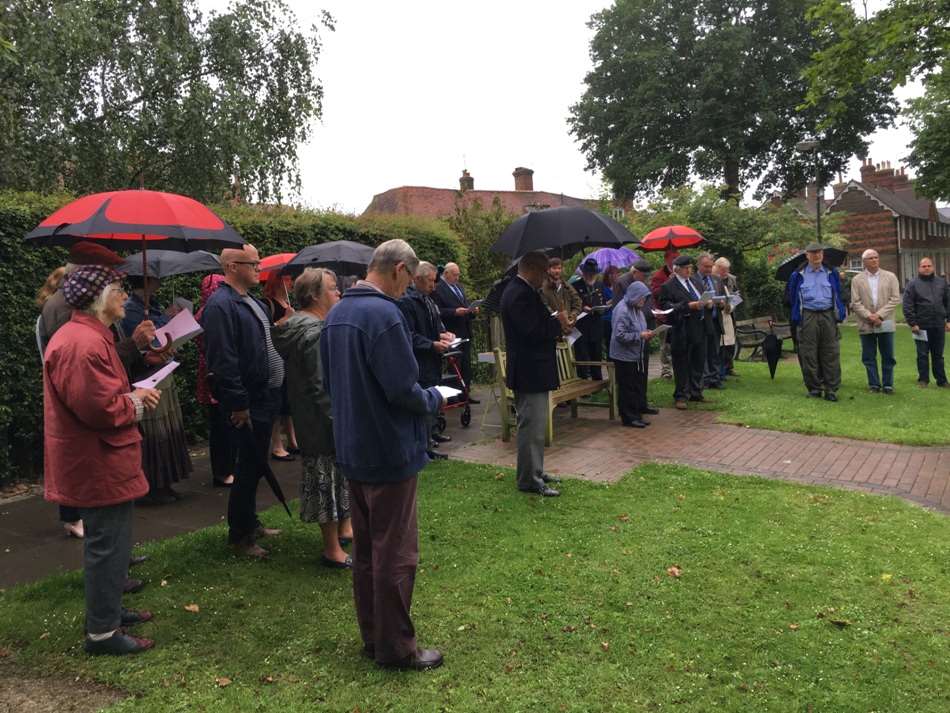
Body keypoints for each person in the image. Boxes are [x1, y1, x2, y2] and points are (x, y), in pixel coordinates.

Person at [320, 239, 446, 671]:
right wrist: (433, 398)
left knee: (370, 553)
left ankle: (374, 637)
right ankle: (397, 648)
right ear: (397, 269)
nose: (408, 288)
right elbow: (402, 390)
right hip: (390, 450)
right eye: (409, 279)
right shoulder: (384, 315)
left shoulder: (337, 313)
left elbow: (328, 381)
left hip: (354, 447)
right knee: (396, 553)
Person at [43, 265, 161, 656]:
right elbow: (99, 409)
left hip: (103, 458)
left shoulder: (91, 336)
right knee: (107, 545)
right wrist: (137, 401)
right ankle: (102, 633)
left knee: (113, 542)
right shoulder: (82, 343)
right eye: (119, 291)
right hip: (96, 459)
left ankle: (109, 612)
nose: (125, 298)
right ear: (99, 299)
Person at [200, 244, 284, 558]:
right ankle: (240, 535)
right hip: (248, 401)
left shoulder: (251, 301)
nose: (259, 269)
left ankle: (251, 522)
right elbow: (223, 360)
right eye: (253, 264)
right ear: (233, 266)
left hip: (265, 395)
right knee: (248, 466)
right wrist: (237, 404)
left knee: (256, 464)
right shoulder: (221, 305)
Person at [272, 268, 353, 569]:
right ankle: (332, 549)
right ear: (315, 296)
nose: (339, 293)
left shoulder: (306, 325)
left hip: (310, 416)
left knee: (335, 476)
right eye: (333, 288)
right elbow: (320, 383)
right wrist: (338, 419)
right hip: (320, 420)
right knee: (325, 478)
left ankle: (345, 528)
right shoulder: (314, 331)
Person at [500, 251, 570, 497]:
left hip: (534, 369)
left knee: (537, 426)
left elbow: (533, 323)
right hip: (529, 371)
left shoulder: (525, 292)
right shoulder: (518, 294)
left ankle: (536, 470)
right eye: (543, 273)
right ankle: (529, 479)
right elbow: (531, 331)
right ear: (531, 269)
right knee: (531, 427)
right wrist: (557, 323)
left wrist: (553, 318)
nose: (545, 278)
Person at [119, 275, 193, 505]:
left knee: (169, 430)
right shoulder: (133, 310)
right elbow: (139, 346)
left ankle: (166, 482)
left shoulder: (155, 305)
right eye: (154, 276)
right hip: (149, 378)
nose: (159, 280)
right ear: (146, 280)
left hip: (164, 372)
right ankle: (153, 486)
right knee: (155, 434)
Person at [399, 262, 455, 460]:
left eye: (434, 281)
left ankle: (429, 442)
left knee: (432, 400)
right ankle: (423, 448)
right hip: (420, 362)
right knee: (422, 403)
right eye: (430, 281)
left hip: (432, 360)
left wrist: (444, 334)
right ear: (417, 279)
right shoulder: (407, 302)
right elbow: (408, 335)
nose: (434, 285)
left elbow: (434, 325)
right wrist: (431, 344)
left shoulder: (428, 300)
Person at [787, 243, 847, 401]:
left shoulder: (831, 272)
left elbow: (838, 293)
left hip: (828, 315)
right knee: (808, 354)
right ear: (806, 255)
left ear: (823, 254)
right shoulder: (797, 275)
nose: (816, 256)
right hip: (807, 315)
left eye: (819, 252)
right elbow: (791, 297)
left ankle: (831, 389)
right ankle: (814, 388)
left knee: (831, 352)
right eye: (813, 253)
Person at [196, 274, 236, 488]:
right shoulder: (211, 313)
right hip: (214, 372)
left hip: (210, 370)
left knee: (223, 424)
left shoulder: (202, 313)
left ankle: (226, 468)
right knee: (221, 426)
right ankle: (223, 471)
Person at [659, 255, 707, 409]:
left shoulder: (695, 282)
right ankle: (681, 395)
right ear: (677, 269)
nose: (689, 271)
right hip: (681, 328)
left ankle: (696, 392)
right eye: (686, 268)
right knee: (681, 362)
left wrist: (708, 302)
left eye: (690, 268)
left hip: (698, 326)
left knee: (698, 360)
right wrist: (687, 306)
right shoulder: (668, 286)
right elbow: (666, 307)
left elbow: (701, 297)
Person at [850, 249, 901, 393]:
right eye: (870, 258)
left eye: (876, 257)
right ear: (864, 262)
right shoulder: (857, 280)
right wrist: (869, 316)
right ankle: (874, 384)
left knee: (888, 355)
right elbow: (855, 302)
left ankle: (888, 384)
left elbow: (895, 299)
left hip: (885, 322)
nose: (874, 260)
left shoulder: (890, 277)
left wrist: (879, 315)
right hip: (866, 323)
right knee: (868, 355)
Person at [262, 271, 299, 462]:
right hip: (275, 357)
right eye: (286, 279)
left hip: (288, 356)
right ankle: (277, 445)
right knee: (276, 402)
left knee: (288, 401)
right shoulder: (267, 303)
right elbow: (266, 330)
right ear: (277, 281)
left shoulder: (289, 303)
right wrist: (286, 318)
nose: (290, 282)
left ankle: (293, 440)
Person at [433, 262, 479, 403]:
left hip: (465, 331)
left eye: (458, 275)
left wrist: (472, 312)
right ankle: (455, 396)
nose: (457, 278)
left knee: (466, 365)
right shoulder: (438, 289)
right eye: (454, 275)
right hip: (451, 333)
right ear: (446, 274)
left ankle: (466, 394)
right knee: (455, 365)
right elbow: (437, 311)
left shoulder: (459, 287)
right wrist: (454, 312)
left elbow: (464, 305)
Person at [610, 282, 654, 427]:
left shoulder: (637, 309)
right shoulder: (622, 310)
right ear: (634, 295)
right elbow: (619, 335)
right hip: (623, 356)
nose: (644, 301)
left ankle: (636, 414)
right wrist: (640, 336)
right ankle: (628, 417)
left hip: (635, 354)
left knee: (635, 386)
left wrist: (647, 333)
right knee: (626, 387)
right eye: (642, 298)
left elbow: (640, 327)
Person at [902, 257, 950, 388]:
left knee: (938, 355)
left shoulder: (942, 283)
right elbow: (907, 305)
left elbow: (948, 302)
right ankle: (923, 379)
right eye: (924, 266)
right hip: (921, 326)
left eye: (929, 266)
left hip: (938, 324)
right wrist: (913, 323)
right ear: (919, 268)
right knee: (922, 354)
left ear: (933, 267)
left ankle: (942, 380)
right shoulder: (912, 284)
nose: (927, 268)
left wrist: (948, 320)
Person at [695, 253, 731, 389]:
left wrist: (722, 303)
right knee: (702, 352)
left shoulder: (716, 279)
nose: (708, 269)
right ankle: (704, 379)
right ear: (698, 265)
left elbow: (722, 298)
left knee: (714, 351)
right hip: (701, 321)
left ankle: (715, 379)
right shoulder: (693, 280)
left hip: (716, 320)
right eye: (705, 266)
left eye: (710, 266)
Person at [571, 258, 606, 379]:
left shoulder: (599, 284)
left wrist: (602, 307)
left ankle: (597, 381)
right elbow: (571, 304)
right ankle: (583, 380)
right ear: (584, 273)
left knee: (596, 353)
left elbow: (603, 301)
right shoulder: (575, 286)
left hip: (596, 323)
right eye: (588, 273)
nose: (591, 276)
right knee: (582, 354)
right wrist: (582, 308)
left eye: (593, 273)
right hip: (582, 326)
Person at [650, 248, 679, 379]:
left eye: (677, 258)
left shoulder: (681, 273)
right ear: (666, 259)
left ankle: (677, 366)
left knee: (676, 342)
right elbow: (655, 293)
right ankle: (666, 370)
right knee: (665, 344)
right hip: (663, 315)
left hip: (677, 313)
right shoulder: (659, 275)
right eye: (673, 258)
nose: (675, 261)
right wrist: (668, 281)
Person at [540, 257, 582, 334]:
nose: (557, 271)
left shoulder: (566, 286)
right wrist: (561, 320)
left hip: (570, 326)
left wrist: (572, 316)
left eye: (559, 268)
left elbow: (577, 301)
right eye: (554, 268)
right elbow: (545, 307)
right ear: (548, 270)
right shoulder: (543, 288)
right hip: (552, 328)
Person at [713, 257, 738, 378]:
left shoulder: (732, 279)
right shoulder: (712, 278)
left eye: (727, 270)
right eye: (723, 270)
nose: (726, 273)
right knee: (719, 343)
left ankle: (727, 368)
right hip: (717, 313)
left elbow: (737, 296)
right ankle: (718, 371)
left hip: (729, 313)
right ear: (717, 268)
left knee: (729, 343)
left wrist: (731, 306)